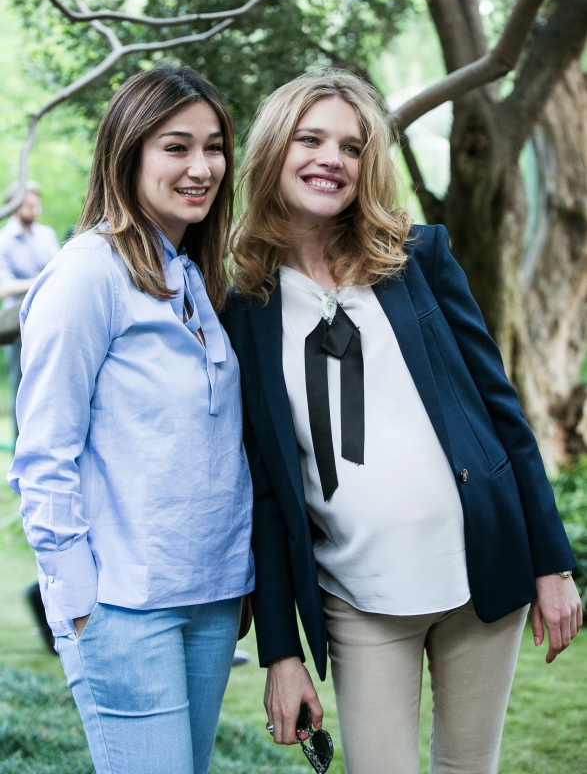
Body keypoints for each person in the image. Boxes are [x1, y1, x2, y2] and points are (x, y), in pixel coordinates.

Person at [221, 70, 582, 774]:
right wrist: (280, 654)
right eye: (310, 139)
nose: (332, 159)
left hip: (478, 572)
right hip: (357, 598)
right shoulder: (244, 310)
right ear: (273, 150)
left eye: (352, 147)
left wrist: (552, 561)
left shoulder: (419, 260)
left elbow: (500, 412)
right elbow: (264, 493)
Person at [8, 65, 254, 774]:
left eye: (214, 148)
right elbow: (44, 452)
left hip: (210, 597)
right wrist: (77, 601)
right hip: (122, 606)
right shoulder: (87, 274)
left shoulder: (195, 276)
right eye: (176, 147)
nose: (201, 168)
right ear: (128, 153)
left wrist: (235, 579)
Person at [0, 181, 59, 439]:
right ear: (14, 206)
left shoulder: (45, 235)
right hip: (18, 327)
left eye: (37, 204)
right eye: (28, 204)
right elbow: (4, 287)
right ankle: (20, 448)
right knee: (20, 389)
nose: (35, 209)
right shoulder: (3, 241)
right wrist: (41, 280)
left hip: (50, 319)